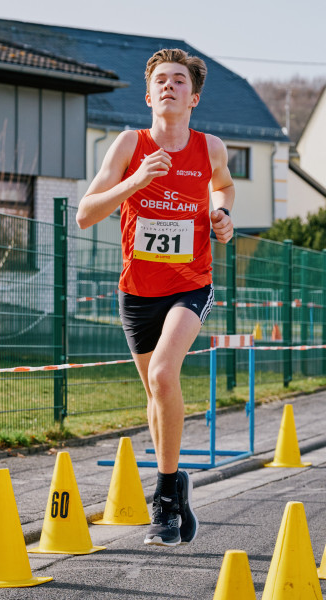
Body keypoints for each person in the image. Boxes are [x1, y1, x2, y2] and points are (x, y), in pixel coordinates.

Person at [76, 48, 234, 546]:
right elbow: (85, 213)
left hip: (191, 284)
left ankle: (164, 497)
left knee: (165, 374)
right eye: (161, 79)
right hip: (137, 291)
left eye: (179, 80)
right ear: (148, 95)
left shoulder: (210, 148)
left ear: (194, 98)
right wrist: (137, 179)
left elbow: (224, 187)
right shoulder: (129, 144)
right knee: (154, 392)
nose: (169, 85)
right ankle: (177, 483)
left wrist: (222, 214)